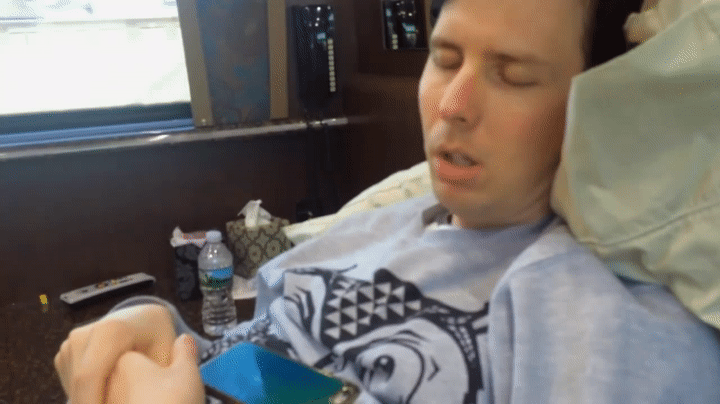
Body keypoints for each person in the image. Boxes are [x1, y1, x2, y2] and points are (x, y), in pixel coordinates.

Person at [54, 0, 720, 402]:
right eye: (446, 59)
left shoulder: (605, 316)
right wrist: (157, 333)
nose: (453, 105)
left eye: (512, 75)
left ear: (596, 106)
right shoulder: (367, 228)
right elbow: (244, 364)